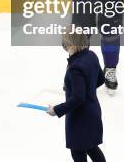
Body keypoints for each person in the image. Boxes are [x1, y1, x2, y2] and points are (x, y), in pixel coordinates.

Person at [47, 29, 106, 162]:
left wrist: (56, 110)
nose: (65, 48)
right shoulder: (91, 55)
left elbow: (78, 98)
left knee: (78, 151)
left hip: (80, 117)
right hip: (93, 111)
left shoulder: (75, 67)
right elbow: (101, 79)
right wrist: (85, 87)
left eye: (65, 46)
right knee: (92, 147)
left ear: (72, 46)